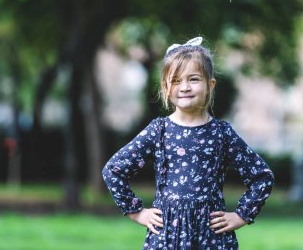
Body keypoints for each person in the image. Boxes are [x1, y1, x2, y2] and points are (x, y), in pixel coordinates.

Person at [102, 37, 275, 249]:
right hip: (166, 235)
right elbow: (114, 170)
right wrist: (136, 212)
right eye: (176, 81)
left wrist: (241, 216)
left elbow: (262, 177)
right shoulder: (159, 131)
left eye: (193, 79)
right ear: (166, 87)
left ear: (210, 85)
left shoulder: (222, 134)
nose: (184, 87)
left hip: (211, 236)